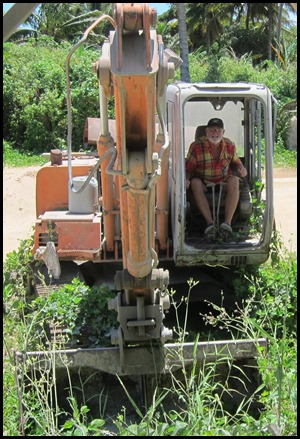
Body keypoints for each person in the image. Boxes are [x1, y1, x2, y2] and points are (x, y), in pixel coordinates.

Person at [185, 118, 247, 237]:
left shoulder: (230, 146)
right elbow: (188, 169)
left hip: (223, 182)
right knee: (195, 183)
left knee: (234, 180)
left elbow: (237, 163)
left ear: (223, 132)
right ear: (206, 131)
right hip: (204, 184)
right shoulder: (196, 146)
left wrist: (241, 169)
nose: (215, 133)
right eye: (212, 130)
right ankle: (210, 224)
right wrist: (186, 179)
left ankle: (227, 225)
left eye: (218, 130)